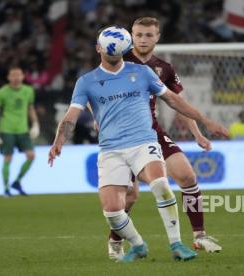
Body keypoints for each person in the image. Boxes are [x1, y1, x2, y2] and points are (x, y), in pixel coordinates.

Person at [48, 26, 228, 262]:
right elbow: (71, 116)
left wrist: (204, 121)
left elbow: (173, 100)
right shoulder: (86, 82)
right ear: (98, 49)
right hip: (111, 149)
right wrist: (58, 140)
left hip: (143, 141)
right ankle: (138, 245)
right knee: (113, 210)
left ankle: (177, 244)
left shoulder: (143, 72)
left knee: (161, 184)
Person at [106, 17, 223, 260]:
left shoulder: (164, 68)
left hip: (152, 131)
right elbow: (94, 88)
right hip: (121, 137)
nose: (143, 39)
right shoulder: (119, 59)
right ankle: (115, 240)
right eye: (138, 35)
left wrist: (197, 133)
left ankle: (199, 235)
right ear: (131, 36)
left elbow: (177, 102)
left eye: (149, 35)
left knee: (187, 176)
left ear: (157, 37)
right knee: (130, 196)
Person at [0, 66, 40, 197]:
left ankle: (17, 182)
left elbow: (30, 108)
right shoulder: (1, 92)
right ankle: (6, 188)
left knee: (31, 156)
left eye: (18, 75)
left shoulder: (28, 91)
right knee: (8, 158)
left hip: (23, 130)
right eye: (13, 75)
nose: (16, 78)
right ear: (8, 77)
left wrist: (35, 124)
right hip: (6, 130)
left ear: (23, 76)